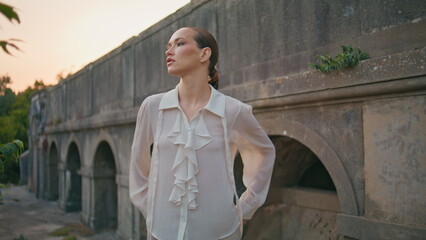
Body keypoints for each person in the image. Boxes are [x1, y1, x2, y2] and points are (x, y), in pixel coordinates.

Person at [129, 27, 275, 240]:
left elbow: (263, 152)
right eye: (168, 46)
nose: (169, 51)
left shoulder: (233, 111)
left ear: (204, 54)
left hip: (220, 232)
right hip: (161, 232)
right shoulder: (152, 107)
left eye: (179, 44)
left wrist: (245, 208)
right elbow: (138, 165)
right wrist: (149, 210)